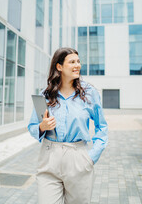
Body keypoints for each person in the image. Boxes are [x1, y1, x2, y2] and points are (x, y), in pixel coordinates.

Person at [28, 47, 108, 204]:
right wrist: (42, 127)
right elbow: (32, 126)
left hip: (78, 158)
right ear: (59, 67)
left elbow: (102, 127)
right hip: (49, 157)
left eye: (78, 61)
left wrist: (90, 158)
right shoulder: (46, 94)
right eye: (72, 62)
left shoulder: (89, 93)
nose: (77, 65)